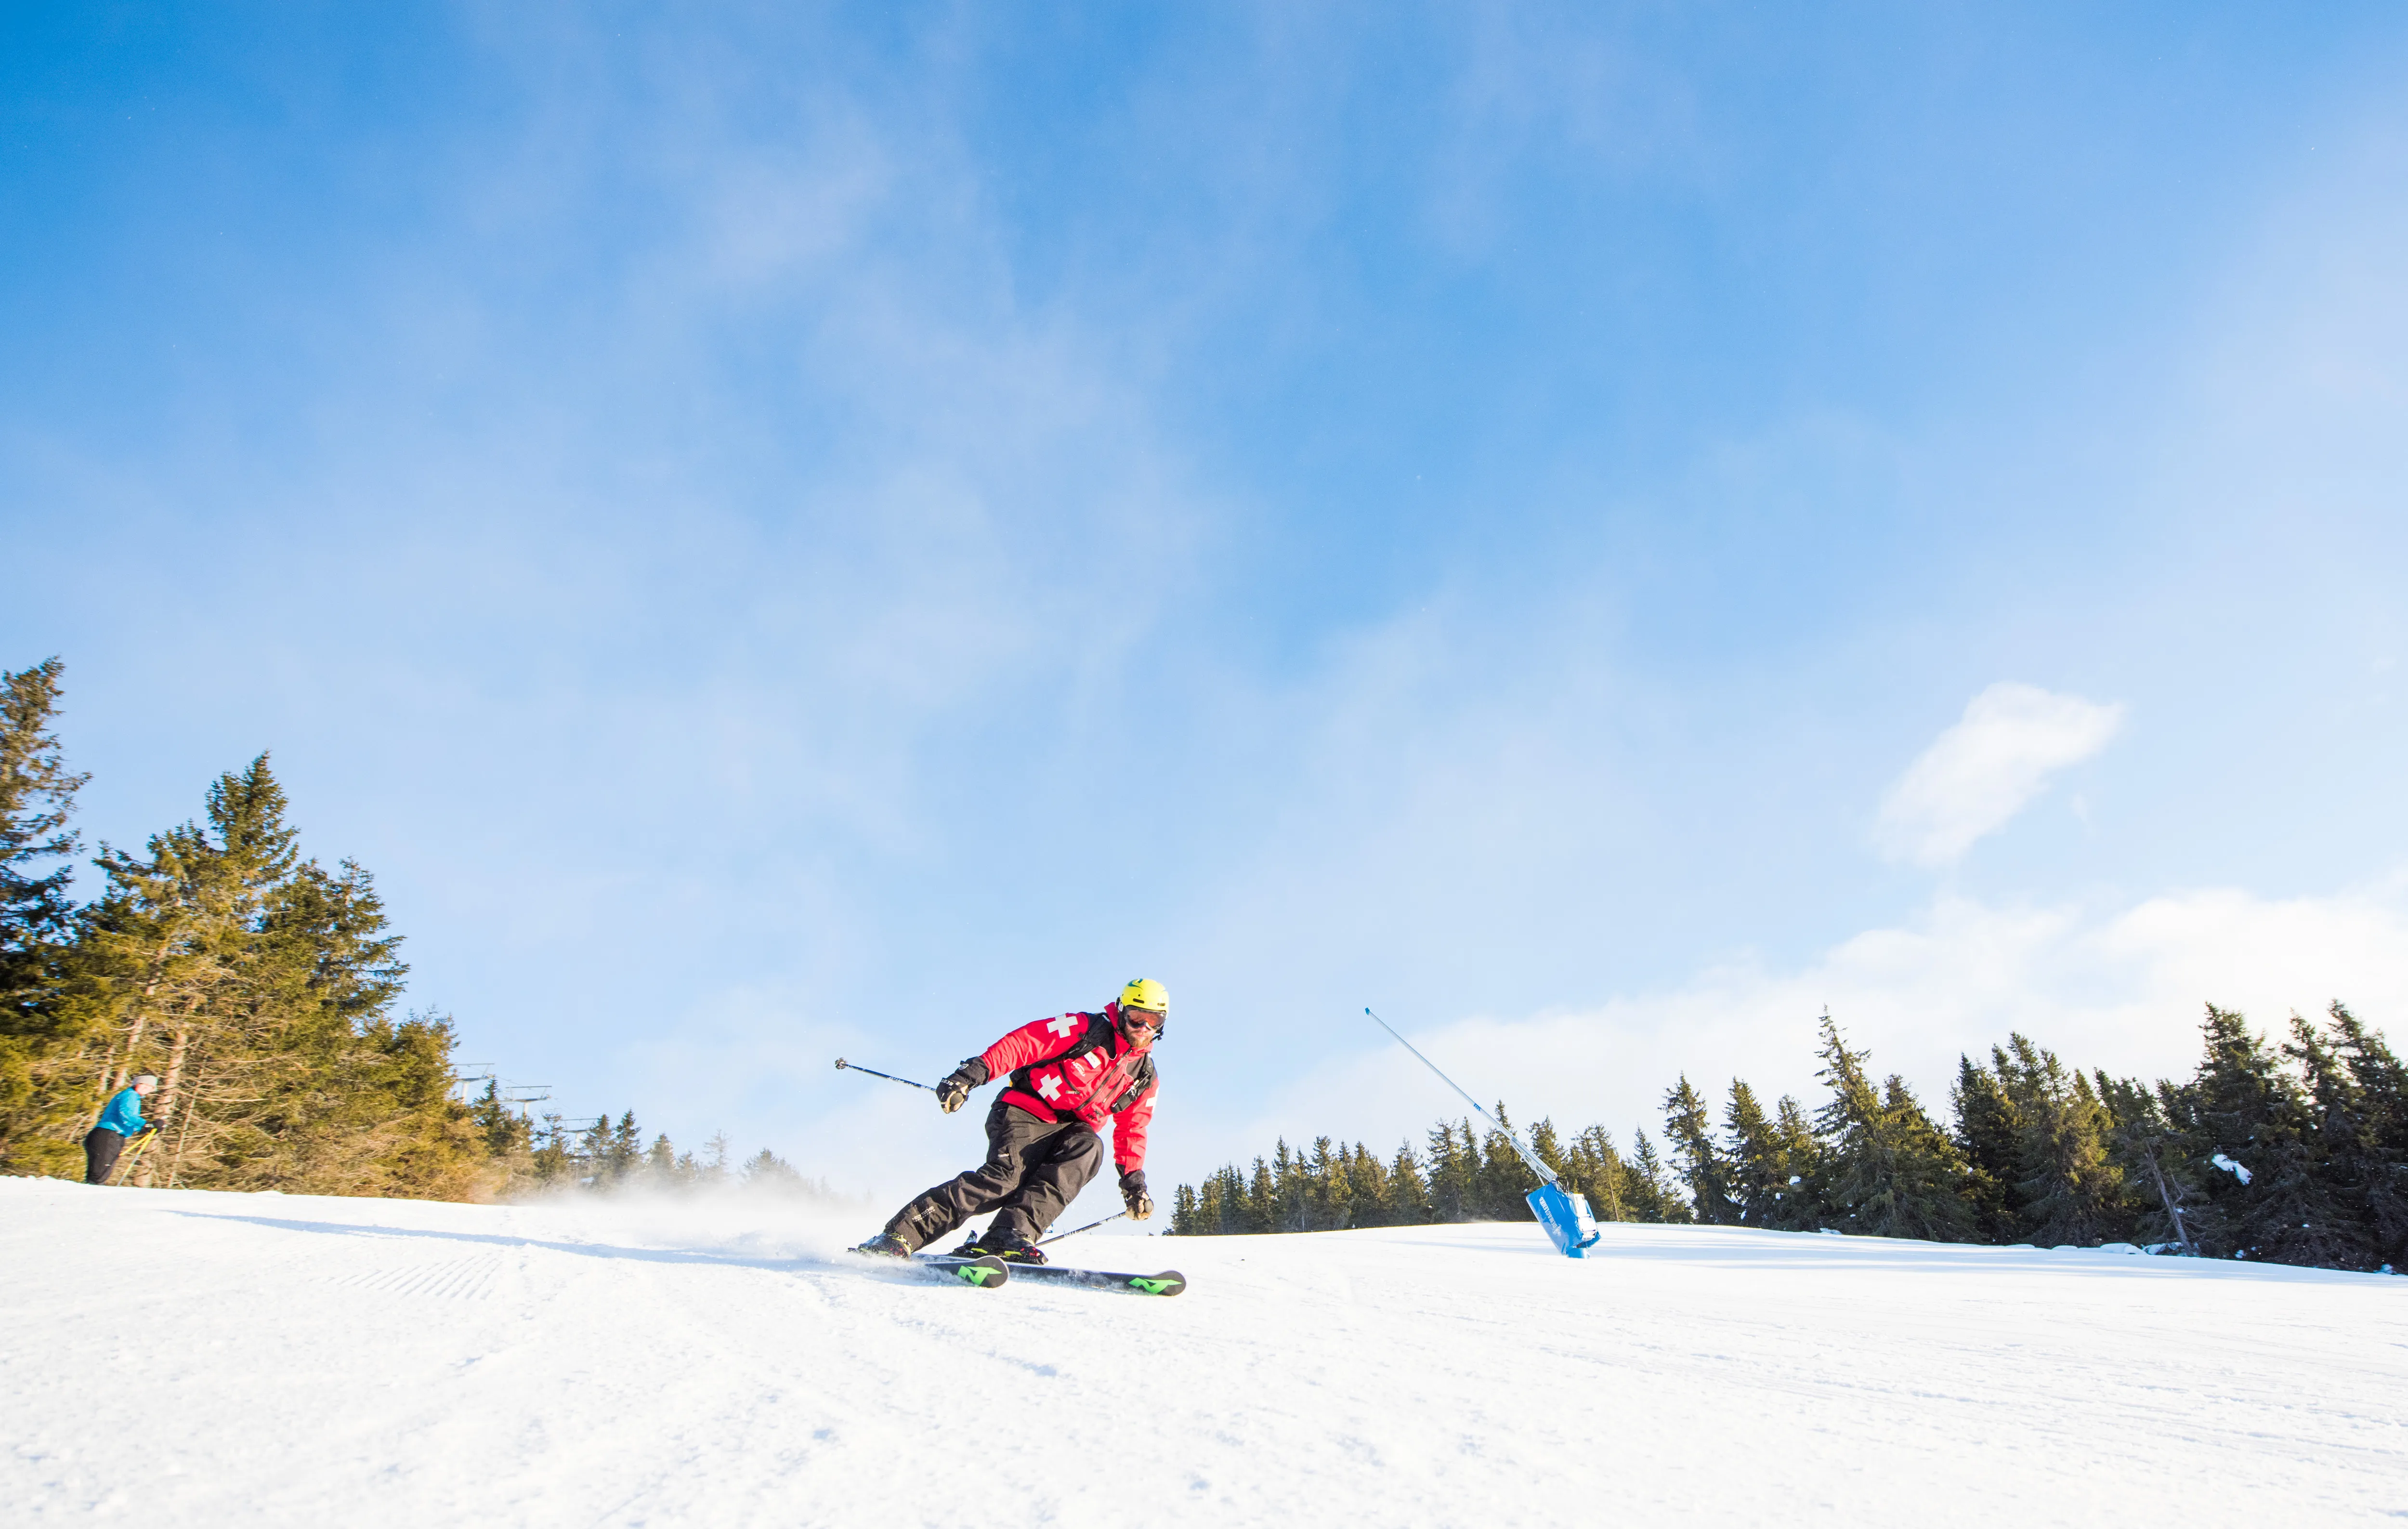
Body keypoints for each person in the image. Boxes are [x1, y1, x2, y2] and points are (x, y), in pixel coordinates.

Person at [857, 978, 1165, 1265]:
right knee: (1004, 1180)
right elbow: (1025, 1043)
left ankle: (1009, 1235)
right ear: (1122, 1011)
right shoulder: (1085, 1029)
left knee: (1089, 1148)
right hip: (1026, 1110)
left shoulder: (1143, 1077)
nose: (1144, 1027)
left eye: (1155, 1021)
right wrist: (971, 1074)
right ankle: (902, 1234)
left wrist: (1134, 1184)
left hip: (1070, 1132)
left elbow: (1133, 1129)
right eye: (1138, 1017)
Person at [86, 1074, 159, 1186]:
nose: (147, 1088)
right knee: (99, 1175)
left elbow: (126, 1121)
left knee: (101, 1174)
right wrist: (146, 1124)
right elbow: (126, 1114)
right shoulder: (130, 1095)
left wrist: (142, 1129)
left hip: (112, 1137)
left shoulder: (134, 1097)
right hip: (108, 1135)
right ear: (137, 1084)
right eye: (144, 1085)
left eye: (150, 1087)